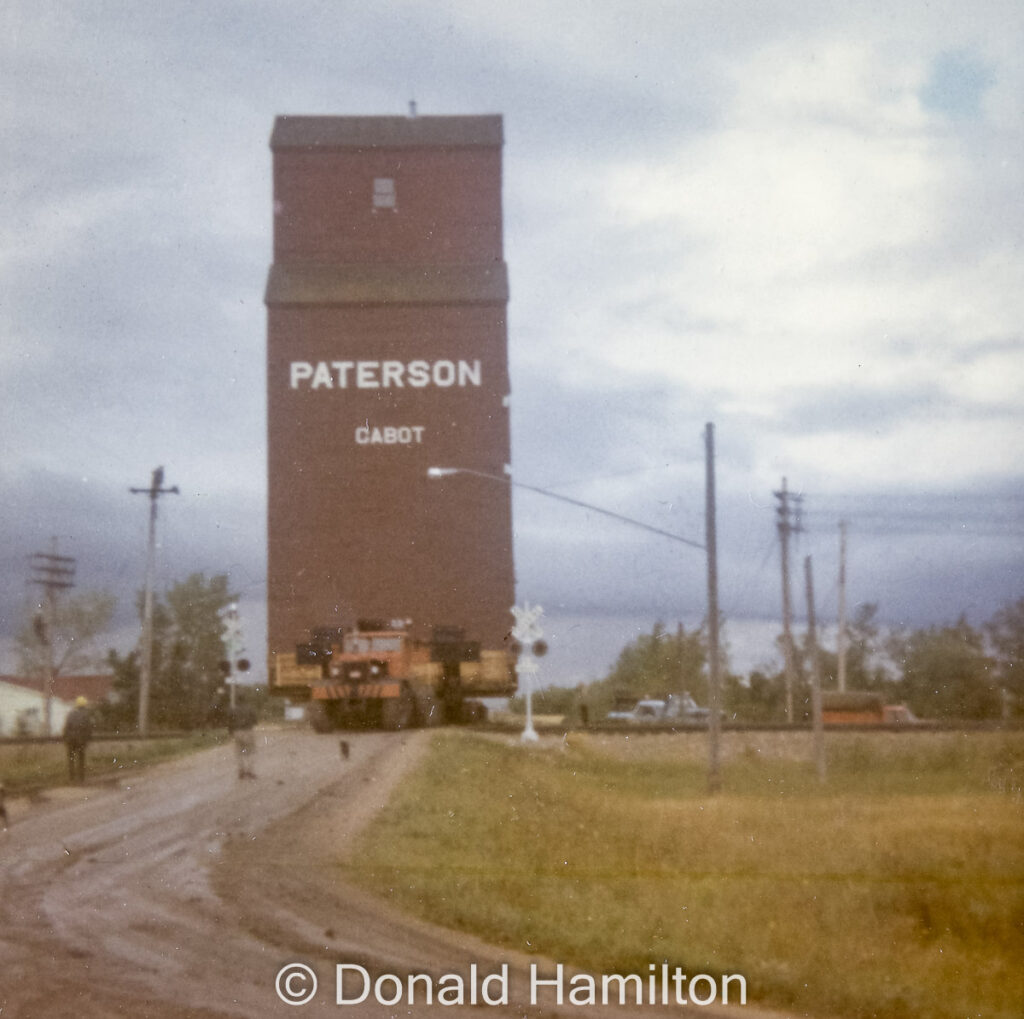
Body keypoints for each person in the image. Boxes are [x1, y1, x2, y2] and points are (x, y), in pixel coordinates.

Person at [63, 696, 93, 783]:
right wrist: (87, 740)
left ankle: (71, 777)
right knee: (81, 759)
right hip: (81, 741)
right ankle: (81, 778)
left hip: (71, 740)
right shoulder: (86, 715)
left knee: (71, 759)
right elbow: (88, 729)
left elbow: (66, 728)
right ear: (84, 705)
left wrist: (66, 739)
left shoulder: (71, 714)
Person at [227, 702, 258, 779]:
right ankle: (250, 771)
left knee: (238, 752)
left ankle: (241, 771)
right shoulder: (250, 708)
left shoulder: (233, 709)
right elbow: (255, 721)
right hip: (248, 731)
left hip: (237, 732)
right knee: (251, 751)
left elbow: (229, 722)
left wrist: (231, 733)